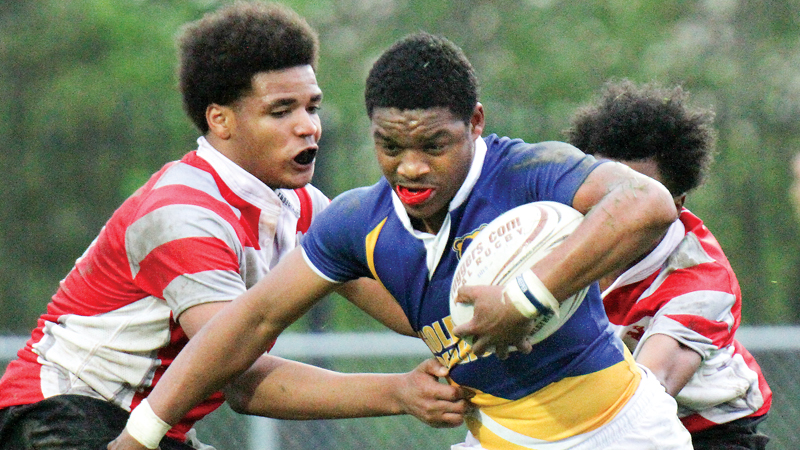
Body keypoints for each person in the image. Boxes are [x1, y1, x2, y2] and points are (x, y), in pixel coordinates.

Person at [110, 32, 693, 450]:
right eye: (390, 145)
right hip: (499, 438)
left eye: (434, 145)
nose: (410, 167)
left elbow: (647, 203)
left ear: (476, 123)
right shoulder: (356, 223)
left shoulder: (529, 172)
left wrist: (525, 299)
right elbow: (251, 320)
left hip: (625, 430)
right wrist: (141, 435)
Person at [0, 5, 469, 450]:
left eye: (313, 107)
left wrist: (504, 303)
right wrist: (399, 393)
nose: (308, 127)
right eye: (281, 111)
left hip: (144, 428)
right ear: (219, 120)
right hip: (58, 417)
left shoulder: (304, 207)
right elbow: (241, 380)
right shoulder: (183, 214)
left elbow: (413, 309)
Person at [566, 79, 773, 450]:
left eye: (637, 196)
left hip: (707, 430)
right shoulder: (545, 231)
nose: (613, 211)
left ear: (675, 205)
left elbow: (644, 398)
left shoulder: (700, 282)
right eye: (604, 190)